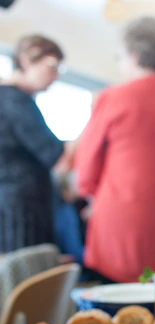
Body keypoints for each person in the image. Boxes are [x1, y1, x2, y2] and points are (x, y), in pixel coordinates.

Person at [75, 17, 155, 283]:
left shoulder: (113, 97)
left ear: (133, 55)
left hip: (120, 228)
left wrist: (89, 194)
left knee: (115, 310)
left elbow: (86, 165)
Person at [0, 35, 73, 252]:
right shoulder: (14, 100)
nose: (56, 74)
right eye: (52, 65)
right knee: (26, 277)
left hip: (18, 205)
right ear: (26, 61)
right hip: (20, 209)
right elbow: (56, 155)